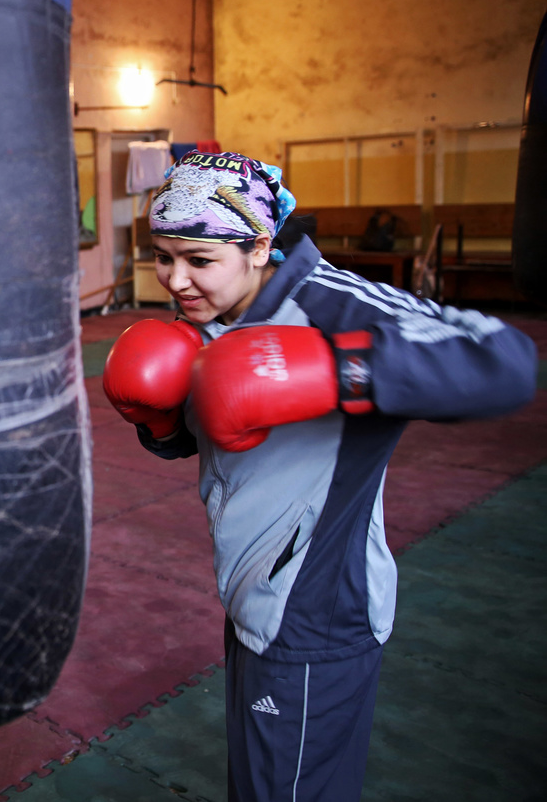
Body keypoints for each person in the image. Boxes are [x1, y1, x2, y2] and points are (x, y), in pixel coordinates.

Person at [102, 151, 538, 801]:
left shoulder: (334, 307)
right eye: (164, 257)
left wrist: (338, 369)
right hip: (255, 596)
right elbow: (217, 431)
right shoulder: (209, 322)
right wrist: (161, 424)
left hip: (317, 614)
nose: (176, 280)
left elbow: (505, 361)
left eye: (198, 260)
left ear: (259, 246)